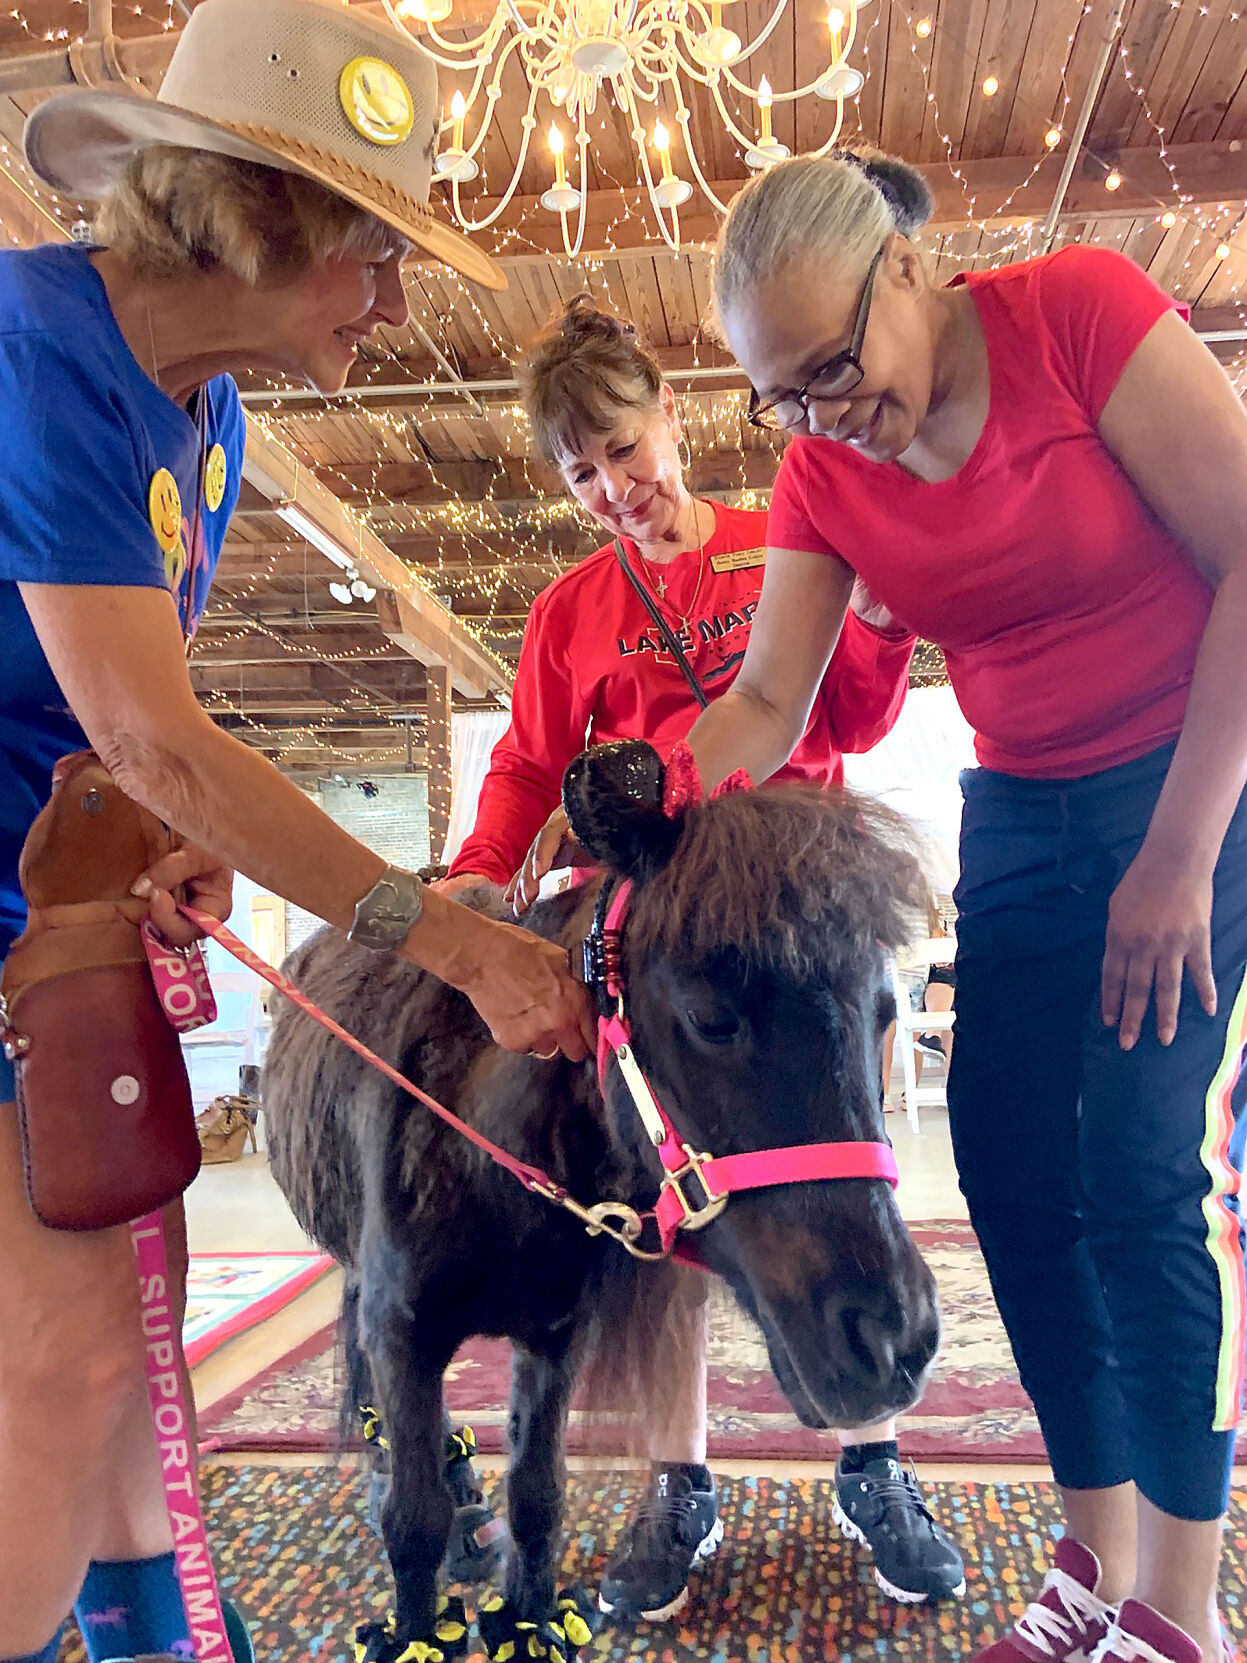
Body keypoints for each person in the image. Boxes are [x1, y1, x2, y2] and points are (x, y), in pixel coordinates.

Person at [0, 6, 592, 1661]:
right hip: (19, 952)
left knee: (129, 1350)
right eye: (372, 253)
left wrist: (164, 832)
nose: (391, 304)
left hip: (59, 935)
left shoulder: (214, 423)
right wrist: (455, 941)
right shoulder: (32, 351)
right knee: (62, 1364)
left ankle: (161, 1639)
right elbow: (149, 732)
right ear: (253, 216)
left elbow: (133, 737)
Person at [683, 146, 1247, 1663]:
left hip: (1198, 782)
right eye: (784, 397)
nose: (825, 415)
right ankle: (1097, 1560)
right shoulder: (823, 470)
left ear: (910, 270)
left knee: (1142, 1181)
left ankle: (1182, 1611)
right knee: (1010, 1180)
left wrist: (1178, 857)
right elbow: (766, 701)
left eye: (834, 366)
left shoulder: (1078, 318)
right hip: (1020, 816)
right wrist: (635, 810)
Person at [441, 295, 966, 1618]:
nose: (614, 489)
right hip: (665, 952)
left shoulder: (779, 544)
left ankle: (874, 1459)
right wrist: (475, 876)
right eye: (581, 474)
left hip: (802, 934)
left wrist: (882, 623)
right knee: (664, 1206)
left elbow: (847, 716)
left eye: (624, 449)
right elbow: (528, 765)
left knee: (839, 1166)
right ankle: (681, 1483)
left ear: (671, 415)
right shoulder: (569, 609)